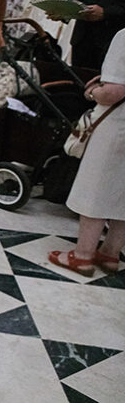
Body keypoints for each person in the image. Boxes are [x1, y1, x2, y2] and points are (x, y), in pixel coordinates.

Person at [48, 28, 125, 276]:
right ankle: (110, 254)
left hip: (118, 126)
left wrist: (92, 91)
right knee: (122, 192)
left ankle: (82, 256)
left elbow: (113, 93)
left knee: (96, 188)